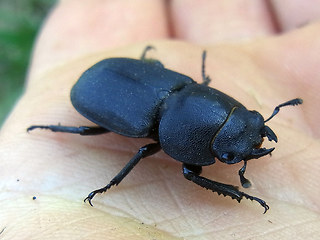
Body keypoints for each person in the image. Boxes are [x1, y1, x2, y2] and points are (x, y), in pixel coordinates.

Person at [1, 1, 319, 239]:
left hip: (142, 81)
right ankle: (71, 142)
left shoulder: (185, 85)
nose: (250, 138)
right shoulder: (152, 119)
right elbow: (184, 169)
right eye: (228, 154)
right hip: (99, 92)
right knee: (94, 134)